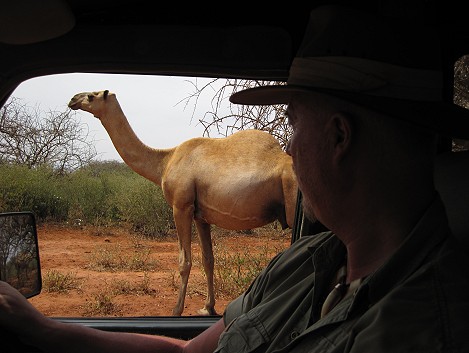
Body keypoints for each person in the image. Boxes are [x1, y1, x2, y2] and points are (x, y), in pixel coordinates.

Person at [2, 4, 469, 353]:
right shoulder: (307, 263)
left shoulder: (421, 328)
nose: (286, 146)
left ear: (338, 137)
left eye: (293, 123)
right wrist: (46, 330)